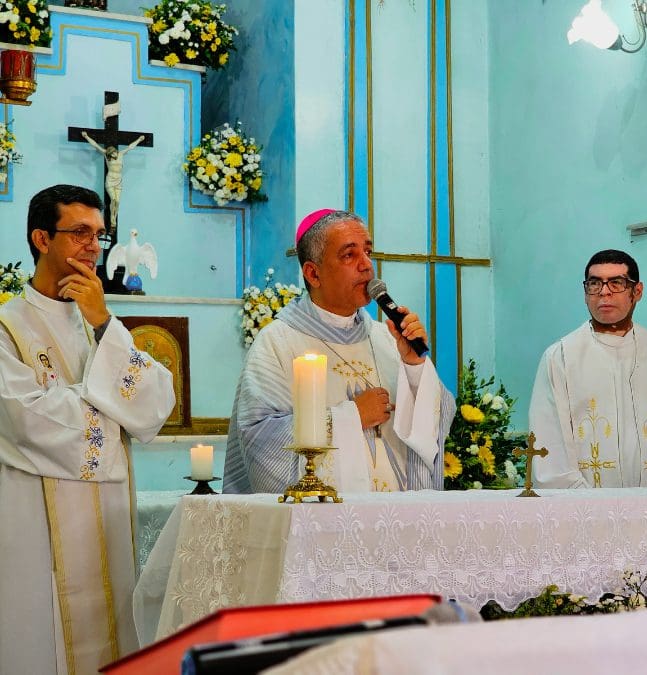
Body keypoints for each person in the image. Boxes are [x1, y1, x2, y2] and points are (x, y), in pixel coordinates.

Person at [0, 184, 175, 674]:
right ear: (41, 238)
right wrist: (113, 405)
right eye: (79, 232)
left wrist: (102, 321)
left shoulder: (97, 324)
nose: (94, 246)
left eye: (98, 234)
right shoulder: (8, 327)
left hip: (107, 522)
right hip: (33, 525)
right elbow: (27, 420)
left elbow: (156, 405)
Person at [223, 209, 455, 494]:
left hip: (396, 513)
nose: (366, 265)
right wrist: (352, 417)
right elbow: (260, 440)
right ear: (313, 273)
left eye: (368, 252)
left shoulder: (386, 338)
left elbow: (437, 421)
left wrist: (414, 366)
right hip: (325, 516)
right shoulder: (277, 342)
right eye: (349, 255)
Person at [529, 249, 647, 489]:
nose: (604, 292)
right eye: (595, 283)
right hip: (584, 505)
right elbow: (550, 445)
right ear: (585, 293)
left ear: (637, 291)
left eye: (616, 283)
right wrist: (592, 505)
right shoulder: (561, 357)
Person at [81, 130, 145, 231]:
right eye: (112, 154)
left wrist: (139, 139)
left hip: (119, 181)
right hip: (110, 180)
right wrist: (86, 136)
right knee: (114, 199)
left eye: (114, 153)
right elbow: (96, 145)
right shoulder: (106, 155)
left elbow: (130, 147)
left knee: (117, 201)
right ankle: (112, 221)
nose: (114, 154)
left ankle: (113, 218)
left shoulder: (121, 154)